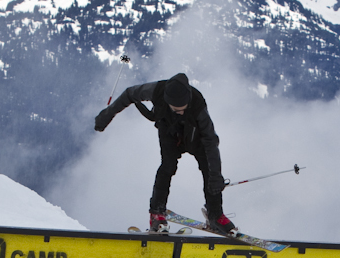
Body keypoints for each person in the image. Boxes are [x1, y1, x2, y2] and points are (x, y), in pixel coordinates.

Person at [93, 72, 235, 235]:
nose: (180, 112)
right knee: (168, 166)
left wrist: (216, 175)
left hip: (195, 137)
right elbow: (129, 94)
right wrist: (107, 115)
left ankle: (215, 215)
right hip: (169, 132)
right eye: (176, 109)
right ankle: (156, 213)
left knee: (209, 170)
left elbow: (211, 140)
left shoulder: (198, 104)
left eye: (183, 109)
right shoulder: (156, 90)